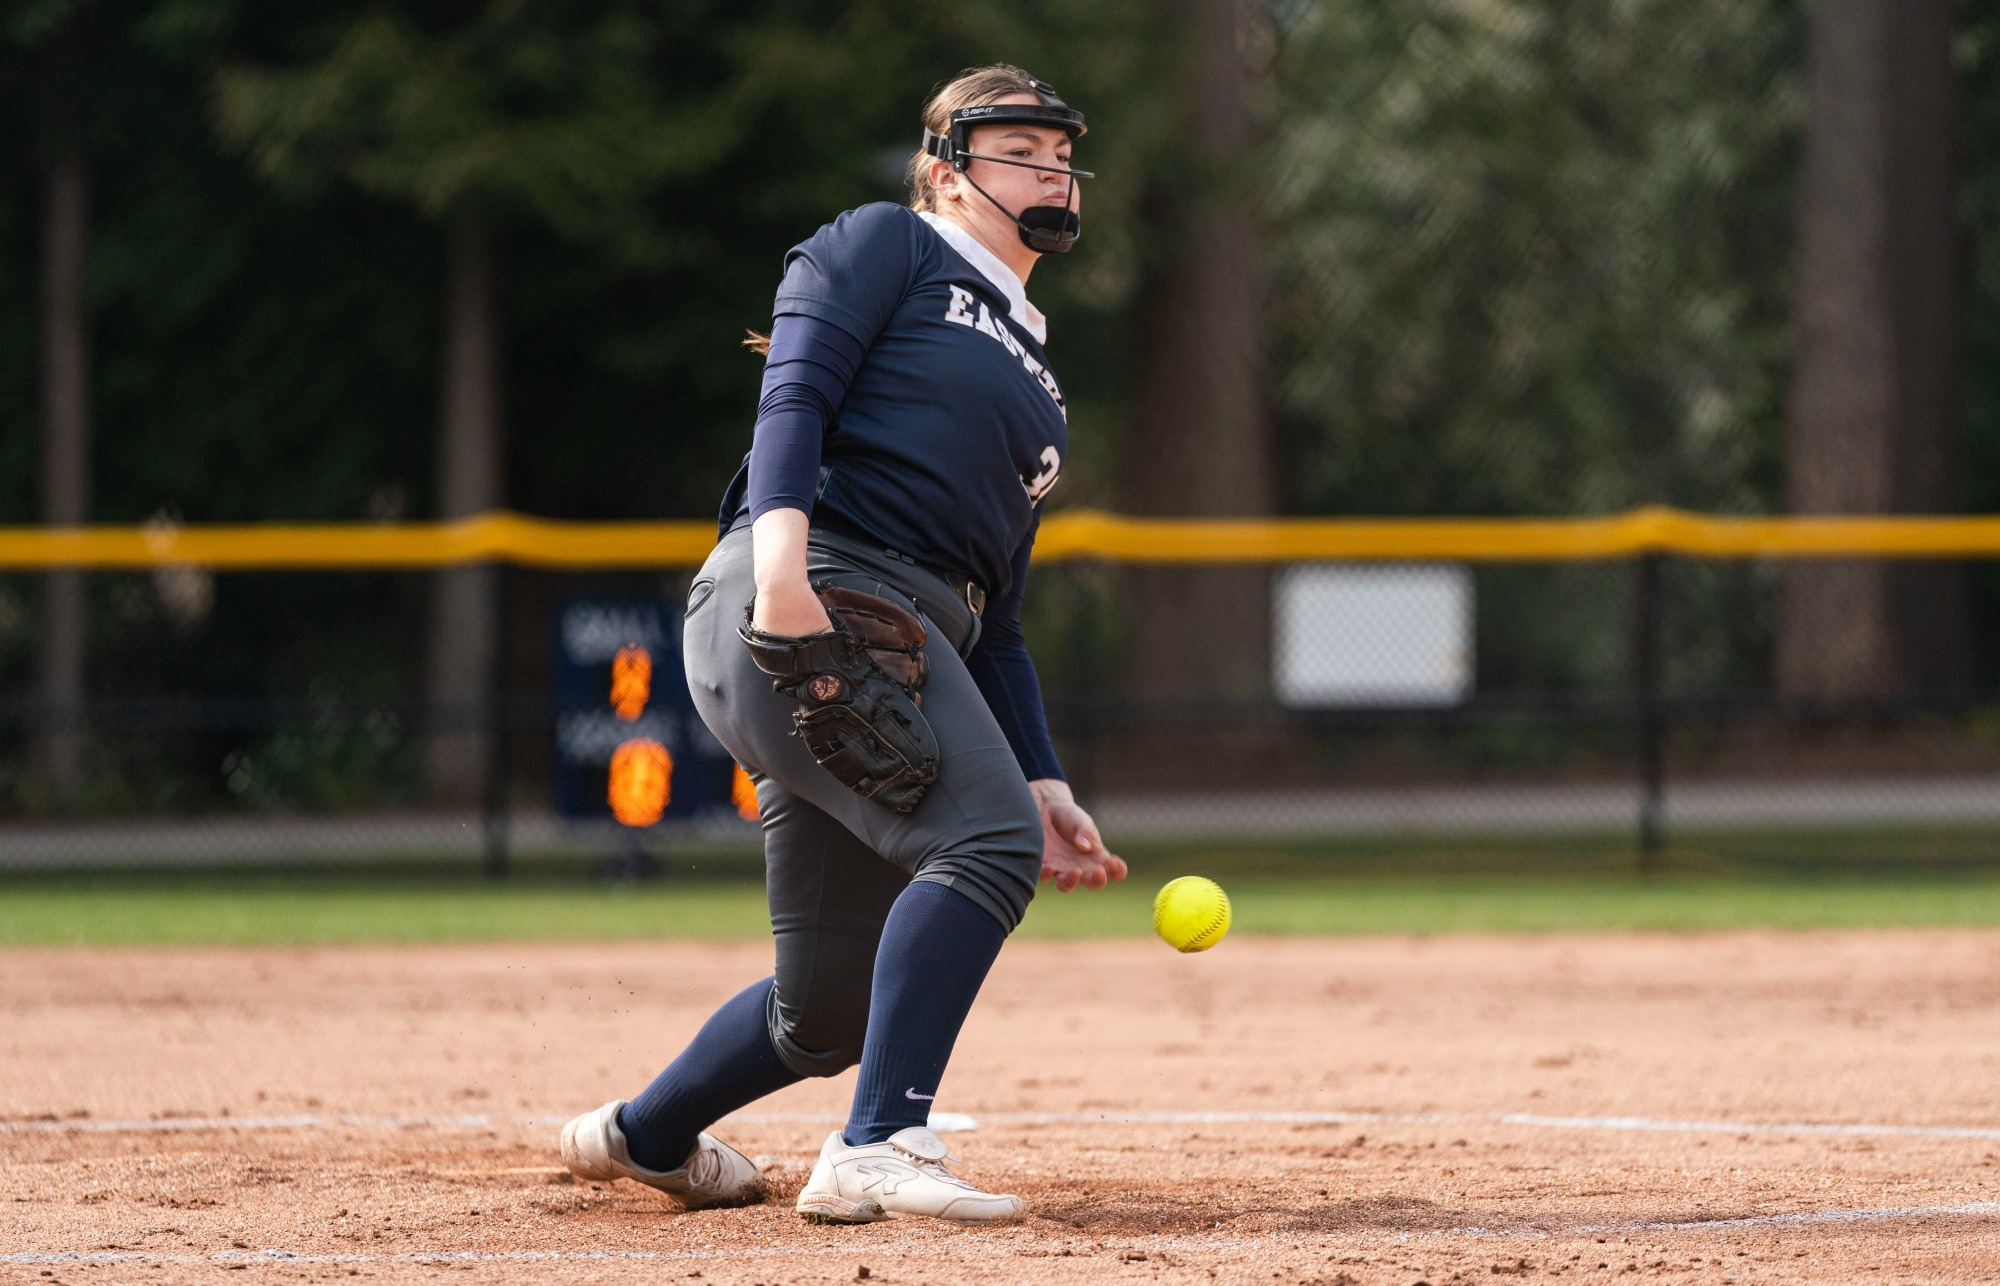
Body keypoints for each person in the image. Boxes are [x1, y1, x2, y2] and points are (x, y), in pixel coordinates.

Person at [558, 64, 1127, 1226]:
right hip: (812, 595)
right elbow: (794, 399)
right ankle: (877, 1141)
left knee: (825, 1011)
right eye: (1018, 152)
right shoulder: (891, 244)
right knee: (980, 845)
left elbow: (996, 617)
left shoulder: (1034, 369)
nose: (1051, 174)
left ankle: (644, 1134)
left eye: (1061, 156)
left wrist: (1044, 775)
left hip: (900, 632)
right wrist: (783, 579)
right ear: (945, 172)